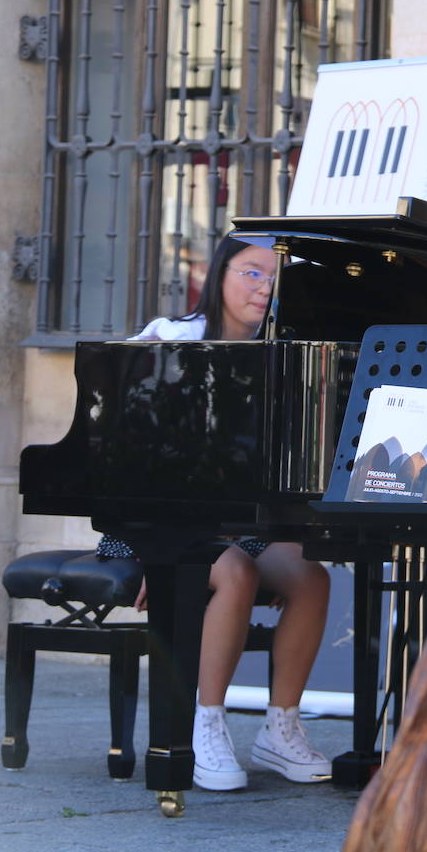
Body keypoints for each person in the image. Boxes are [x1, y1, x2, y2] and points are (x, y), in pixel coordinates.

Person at [98, 234, 333, 790]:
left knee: (309, 576)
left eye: (275, 278)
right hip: (146, 522)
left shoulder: (281, 357)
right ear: (219, 274)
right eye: (251, 272)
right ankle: (204, 725)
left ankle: (280, 729)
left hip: (228, 526)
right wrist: (160, 555)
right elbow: (120, 447)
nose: (264, 286)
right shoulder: (170, 341)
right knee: (235, 571)